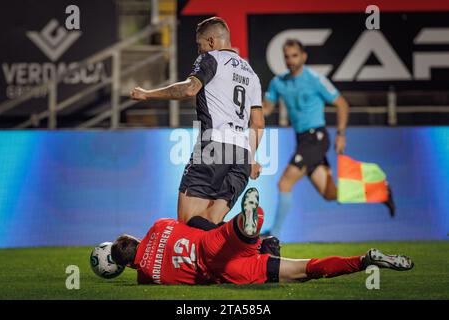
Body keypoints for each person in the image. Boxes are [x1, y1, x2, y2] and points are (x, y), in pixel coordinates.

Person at [110, 188, 413, 285]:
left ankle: (362, 261)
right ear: (134, 239)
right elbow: (196, 223)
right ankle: (248, 228)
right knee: (238, 228)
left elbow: (143, 268)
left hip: (222, 271)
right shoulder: (160, 226)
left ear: (128, 266)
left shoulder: (146, 277)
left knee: (302, 270)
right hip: (212, 244)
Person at [130, 17, 264, 229]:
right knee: (211, 220)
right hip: (242, 155)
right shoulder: (251, 74)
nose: (199, 50)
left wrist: (148, 94)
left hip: (213, 146)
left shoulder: (211, 58)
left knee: (188, 220)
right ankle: (247, 236)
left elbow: (189, 89)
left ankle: (241, 230)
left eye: (199, 45)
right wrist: (252, 158)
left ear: (211, 41)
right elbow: (257, 123)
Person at [263, 39, 395, 238]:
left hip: (316, 138)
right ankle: (379, 190)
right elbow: (265, 109)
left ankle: (275, 235)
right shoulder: (278, 82)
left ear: (304, 56)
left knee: (284, 183)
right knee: (330, 194)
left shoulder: (315, 79)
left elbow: (342, 104)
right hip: (302, 140)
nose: (290, 60)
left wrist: (341, 135)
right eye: (287, 56)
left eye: (294, 55)